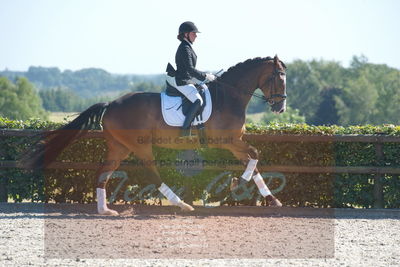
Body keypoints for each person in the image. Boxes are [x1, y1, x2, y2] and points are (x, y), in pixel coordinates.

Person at [174, 21, 216, 137]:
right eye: (194, 33)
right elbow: (190, 69)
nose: (196, 35)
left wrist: (206, 76)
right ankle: (185, 131)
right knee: (198, 101)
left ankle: (198, 125)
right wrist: (205, 76)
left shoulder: (187, 46)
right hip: (182, 82)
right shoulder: (184, 48)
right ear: (186, 34)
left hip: (188, 80)